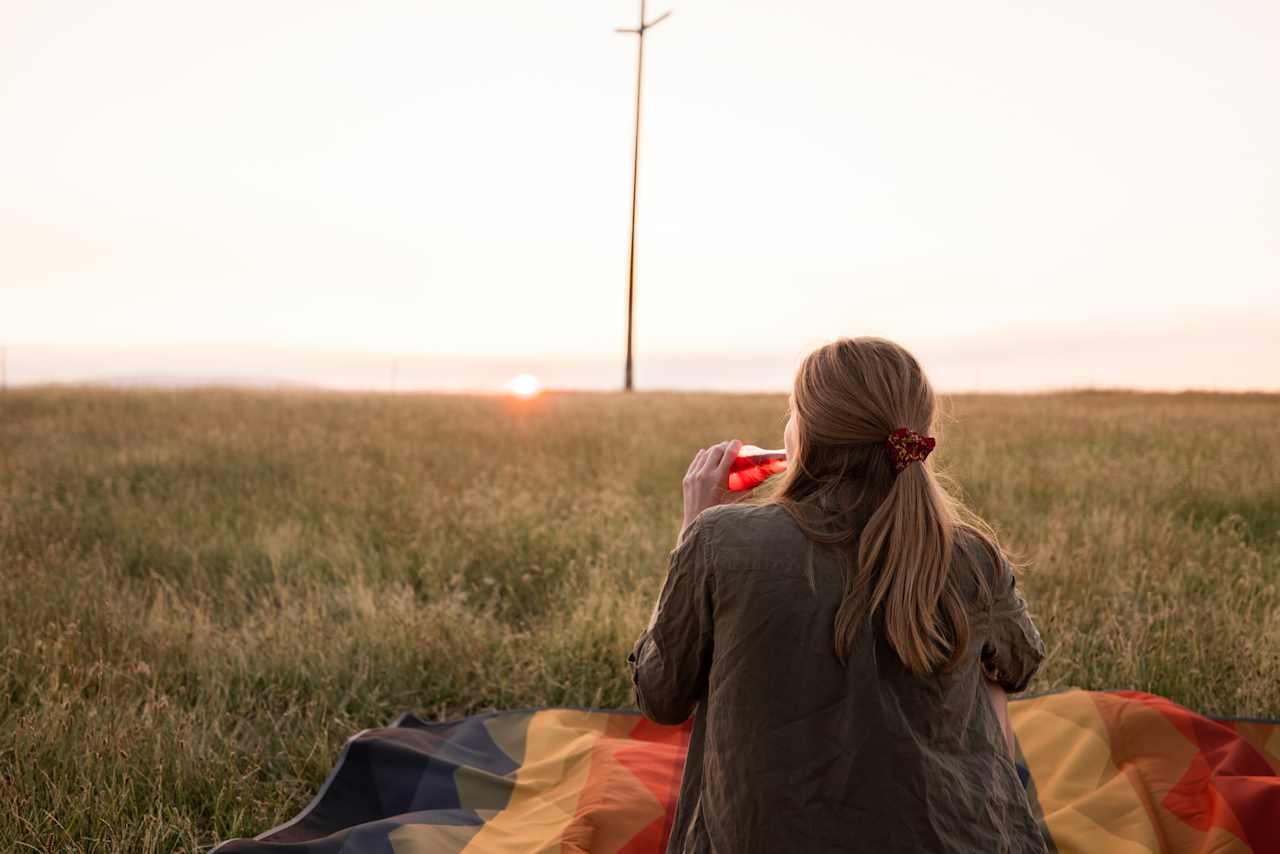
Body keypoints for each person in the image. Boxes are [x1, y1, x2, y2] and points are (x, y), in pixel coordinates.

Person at [626, 336, 1048, 854]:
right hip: (953, 840)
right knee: (988, 669)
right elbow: (1020, 664)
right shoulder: (970, 555)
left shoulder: (721, 538)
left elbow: (661, 696)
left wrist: (692, 529)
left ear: (804, 433)